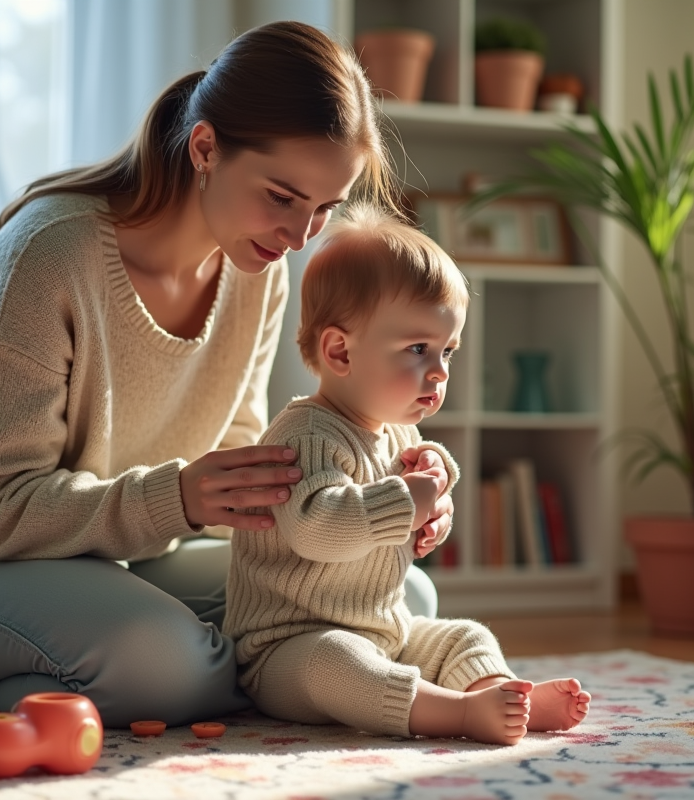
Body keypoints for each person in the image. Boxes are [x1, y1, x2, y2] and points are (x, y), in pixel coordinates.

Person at [0, 20, 451, 729]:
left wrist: (371, 514)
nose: (298, 236)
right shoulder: (50, 256)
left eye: (322, 209)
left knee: (398, 600)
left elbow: (241, 469)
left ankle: (221, 673)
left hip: (122, 553)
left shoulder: (257, 270)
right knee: (172, 671)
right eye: (282, 196)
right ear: (206, 148)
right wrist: (182, 498)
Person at [223, 204, 591, 745]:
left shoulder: (399, 432)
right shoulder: (303, 435)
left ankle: (505, 694)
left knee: (464, 634)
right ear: (340, 351)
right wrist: (404, 503)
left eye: (447, 351)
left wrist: (433, 507)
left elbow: (406, 518)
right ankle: (460, 714)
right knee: (338, 661)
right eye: (418, 350)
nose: (440, 371)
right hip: (288, 648)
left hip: (383, 629)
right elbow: (318, 528)